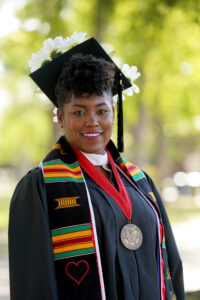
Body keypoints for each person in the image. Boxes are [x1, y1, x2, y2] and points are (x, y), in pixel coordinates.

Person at [9, 33, 185, 300]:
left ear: (113, 111)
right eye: (79, 112)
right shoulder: (40, 189)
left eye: (101, 111)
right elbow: (34, 287)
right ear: (60, 116)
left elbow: (171, 265)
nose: (92, 122)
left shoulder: (139, 181)